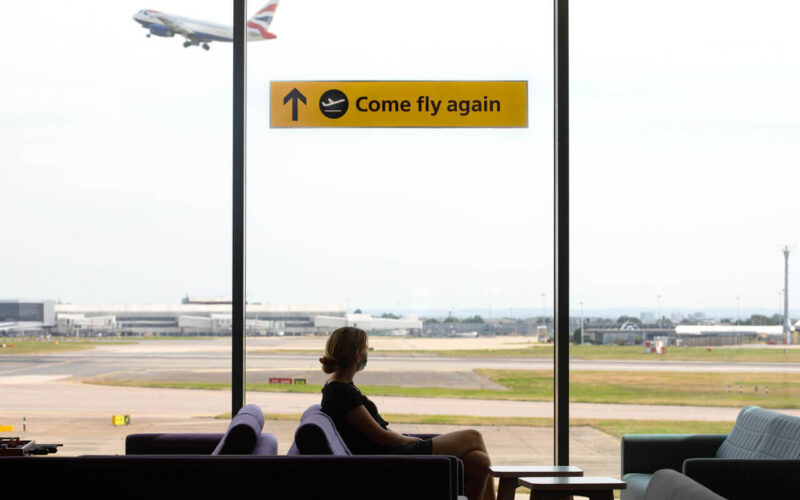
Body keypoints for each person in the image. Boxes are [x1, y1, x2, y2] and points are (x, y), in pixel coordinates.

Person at [319, 326, 495, 500]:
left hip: (389, 454)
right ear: (357, 354)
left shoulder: (342, 388)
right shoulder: (340, 393)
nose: (367, 353)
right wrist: (412, 440)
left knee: (479, 461)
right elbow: (383, 439)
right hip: (388, 460)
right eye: (365, 348)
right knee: (473, 436)